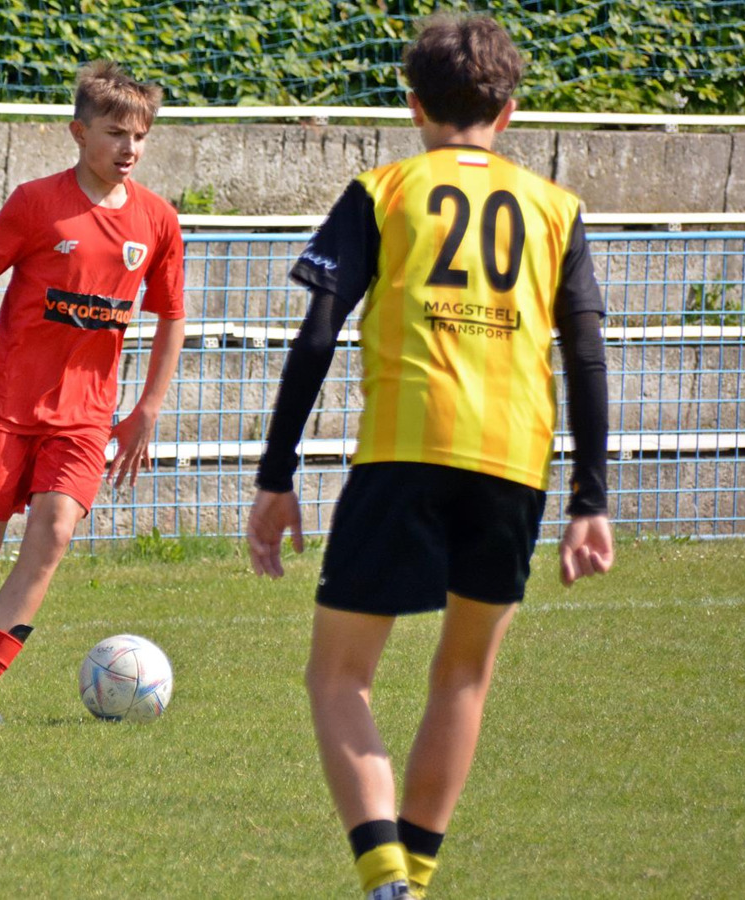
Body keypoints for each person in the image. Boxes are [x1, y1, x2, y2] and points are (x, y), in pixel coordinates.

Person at [246, 15, 614, 900]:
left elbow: (317, 336)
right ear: (509, 112)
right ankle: (413, 875)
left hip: (404, 454)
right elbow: (588, 354)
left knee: (338, 675)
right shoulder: (556, 208)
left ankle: (384, 877)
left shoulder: (382, 190)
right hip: (512, 462)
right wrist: (589, 498)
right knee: (463, 675)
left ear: (413, 105)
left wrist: (276, 476)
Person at [0, 60, 186, 723]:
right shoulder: (34, 203)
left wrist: (147, 409)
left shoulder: (157, 221)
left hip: (85, 417)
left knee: (51, 535)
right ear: (79, 133)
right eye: (115, 134)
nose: (129, 149)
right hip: (9, 405)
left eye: (140, 136)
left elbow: (172, 317)